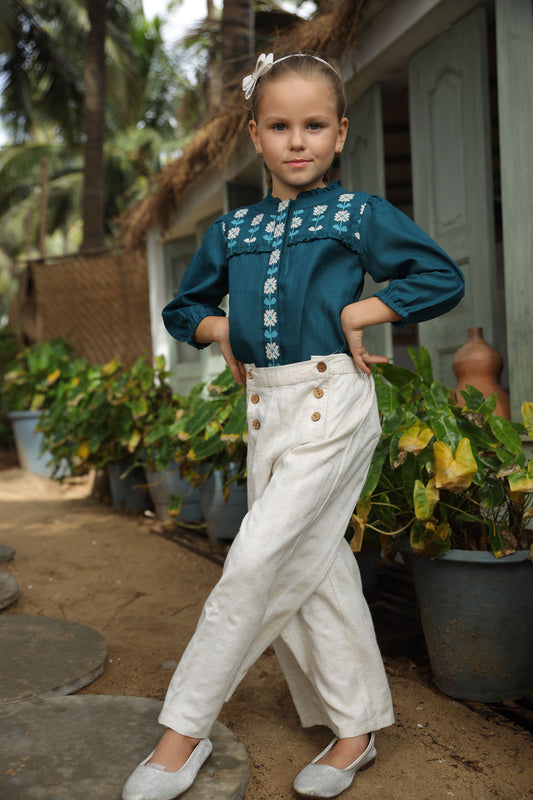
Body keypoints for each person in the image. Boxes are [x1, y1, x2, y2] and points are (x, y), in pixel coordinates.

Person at [122, 52, 465, 800]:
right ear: (255, 134)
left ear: (339, 133)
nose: (297, 140)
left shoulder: (358, 215)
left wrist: (360, 311)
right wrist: (222, 331)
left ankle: (182, 731)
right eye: (279, 126)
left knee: (253, 561)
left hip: (333, 404)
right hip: (264, 412)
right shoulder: (231, 230)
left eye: (314, 125)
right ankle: (356, 730)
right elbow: (183, 309)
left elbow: (438, 276)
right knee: (315, 570)